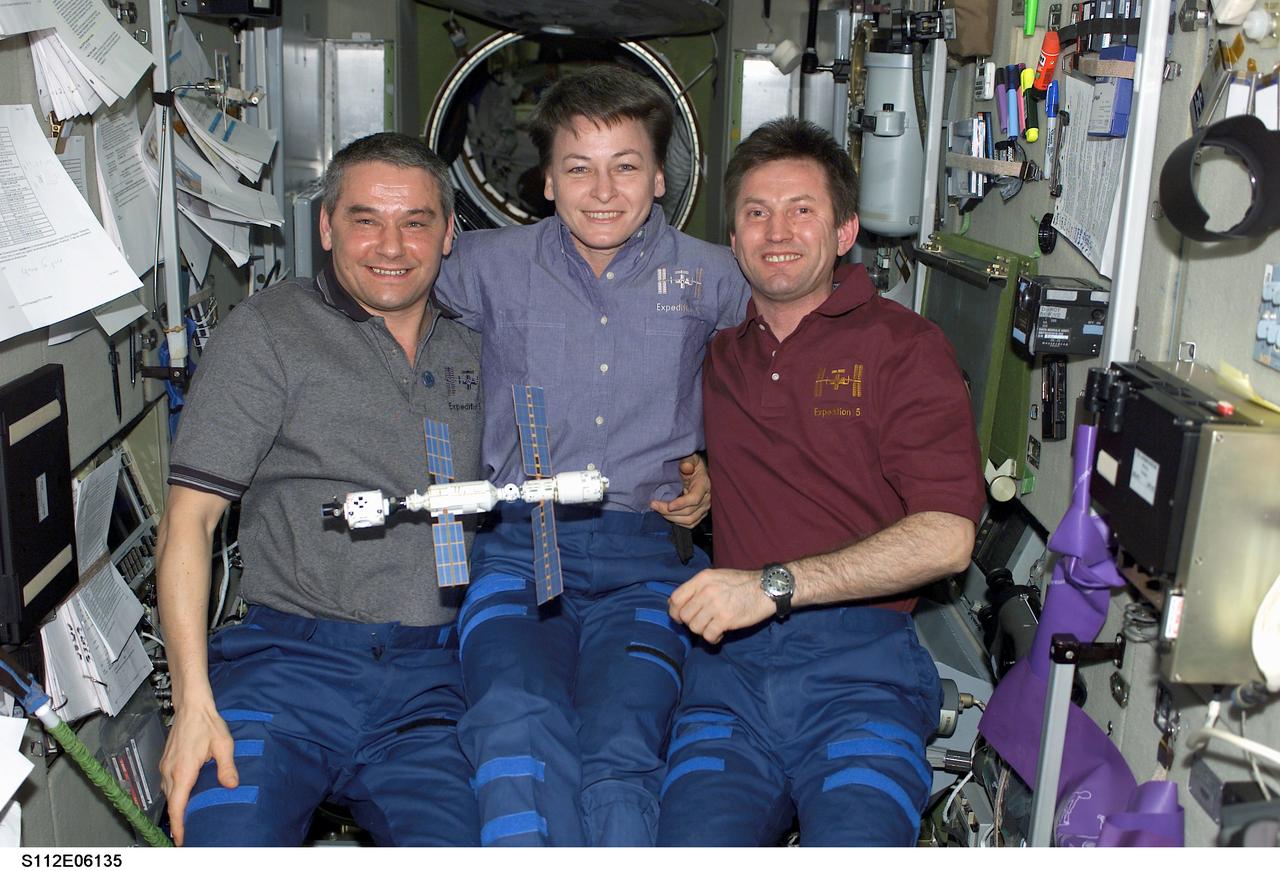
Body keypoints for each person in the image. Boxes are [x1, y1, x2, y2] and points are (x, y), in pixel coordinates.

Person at [433, 65, 749, 846]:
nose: (602, 190)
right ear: (546, 180)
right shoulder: (481, 265)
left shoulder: (715, 277)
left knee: (620, 742)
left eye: (626, 166)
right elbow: (376, 300)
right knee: (513, 722)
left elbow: (774, 384)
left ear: (662, 177)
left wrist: (719, 466)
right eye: (578, 167)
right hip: (515, 552)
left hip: (647, 557)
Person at [657, 118, 985, 847]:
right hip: (728, 681)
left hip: (862, 676)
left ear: (844, 232)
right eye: (756, 212)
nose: (778, 230)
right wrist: (700, 477)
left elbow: (948, 537)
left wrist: (770, 584)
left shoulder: (903, 348)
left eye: (802, 209)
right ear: (734, 240)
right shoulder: (717, 355)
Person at [155, 133, 482, 846]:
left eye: (416, 221)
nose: (391, 245)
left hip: (433, 688)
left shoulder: (479, 345)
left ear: (450, 233)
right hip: (286, 669)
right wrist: (192, 705)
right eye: (366, 219)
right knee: (219, 840)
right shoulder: (268, 332)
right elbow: (190, 521)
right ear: (327, 226)